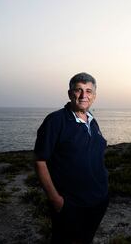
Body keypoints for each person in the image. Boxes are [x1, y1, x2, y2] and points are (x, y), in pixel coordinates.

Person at [34, 72, 109, 244]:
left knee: (86, 239)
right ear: (70, 93)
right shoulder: (55, 120)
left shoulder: (92, 120)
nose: (84, 95)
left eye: (89, 91)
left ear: (94, 96)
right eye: (79, 90)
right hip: (70, 204)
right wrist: (56, 200)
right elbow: (40, 161)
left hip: (98, 200)